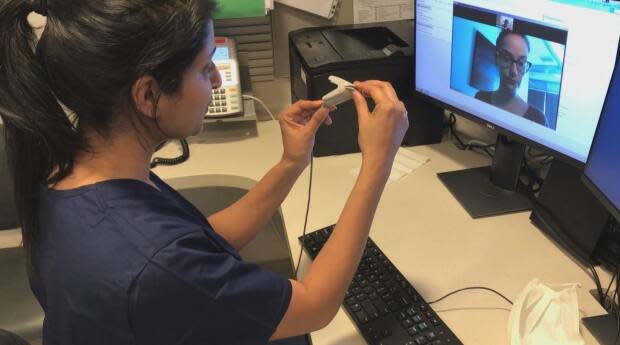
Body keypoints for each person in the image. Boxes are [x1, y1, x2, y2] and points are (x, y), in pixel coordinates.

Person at [0, 1, 409, 345]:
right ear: (147, 95)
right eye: (204, 68)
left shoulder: (74, 170)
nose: (216, 79)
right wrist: (377, 162)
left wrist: (291, 163)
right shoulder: (156, 263)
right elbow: (316, 304)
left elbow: (203, 243)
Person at [475, 30, 548, 127]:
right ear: (497, 59)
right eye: (506, 58)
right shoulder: (480, 98)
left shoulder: (538, 119)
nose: (514, 71)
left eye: (521, 63)